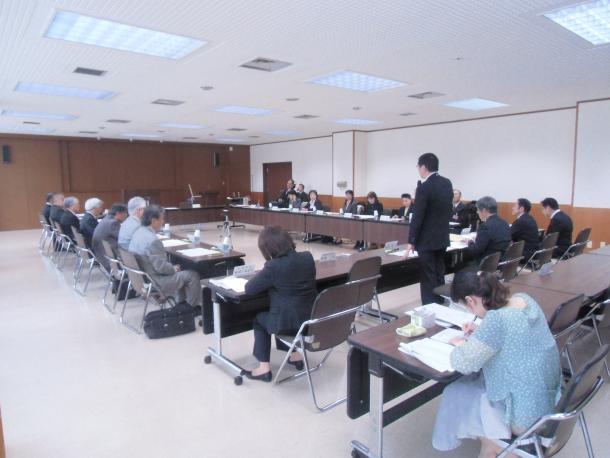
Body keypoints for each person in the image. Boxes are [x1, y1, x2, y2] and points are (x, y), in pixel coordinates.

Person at [432, 270, 561, 457]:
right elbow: (512, 337)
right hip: (550, 401)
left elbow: (463, 363)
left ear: (470, 300)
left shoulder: (497, 320)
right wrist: (481, 331)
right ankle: (492, 449)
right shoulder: (525, 300)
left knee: (458, 394)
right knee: (467, 393)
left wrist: (460, 344)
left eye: (468, 308)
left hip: (526, 417)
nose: (471, 313)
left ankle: (505, 450)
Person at [242, 226, 317, 382]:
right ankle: (295, 355)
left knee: (260, 320)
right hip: (310, 320)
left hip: (287, 324)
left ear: (268, 249)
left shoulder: (273, 267)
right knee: (283, 312)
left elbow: (249, 289)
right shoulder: (307, 257)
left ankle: (263, 368)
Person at [129, 205, 202, 307]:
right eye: (161, 219)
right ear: (153, 220)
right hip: (156, 281)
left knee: (178, 268)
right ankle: (191, 308)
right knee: (192, 275)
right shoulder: (153, 241)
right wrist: (173, 268)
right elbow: (161, 268)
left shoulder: (137, 233)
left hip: (142, 279)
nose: (163, 222)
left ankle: (181, 304)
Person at [407, 153, 453, 304]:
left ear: (423, 167)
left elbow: (418, 216)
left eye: (418, 166)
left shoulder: (424, 187)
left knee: (428, 276)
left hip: (426, 240)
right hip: (442, 237)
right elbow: (448, 210)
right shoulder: (447, 183)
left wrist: (412, 240)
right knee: (439, 272)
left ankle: (430, 306)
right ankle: (440, 302)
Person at [466, 196, 511, 263]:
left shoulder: (485, 226)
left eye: (478, 210)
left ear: (484, 210)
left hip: (486, 263)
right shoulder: (505, 223)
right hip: (502, 261)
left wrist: (469, 242)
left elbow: (475, 250)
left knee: (462, 264)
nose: (477, 212)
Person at [92, 203, 128, 271]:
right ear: (118, 213)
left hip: (101, 255)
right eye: (125, 213)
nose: (126, 216)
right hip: (109, 261)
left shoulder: (106, 219)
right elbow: (124, 239)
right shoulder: (113, 223)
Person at [510, 198, 540, 263]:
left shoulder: (520, 221)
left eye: (514, 206)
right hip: (533, 252)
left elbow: (508, 237)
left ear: (521, 209)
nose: (512, 208)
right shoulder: (531, 219)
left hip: (524, 255)